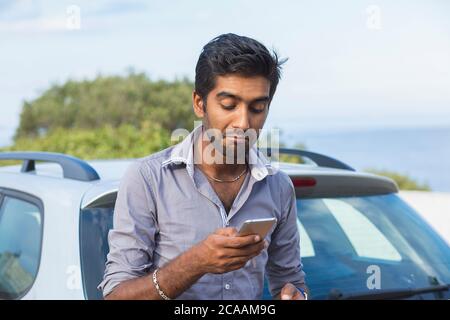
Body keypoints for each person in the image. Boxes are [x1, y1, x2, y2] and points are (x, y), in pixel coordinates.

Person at [98, 33, 307, 300]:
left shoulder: (278, 186)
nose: (243, 122)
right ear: (200, 104)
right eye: (229, 105)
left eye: (257, 107)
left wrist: (296, 294)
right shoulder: (147, 179)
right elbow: (116, 296)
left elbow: (291, 280)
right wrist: (195, 263)